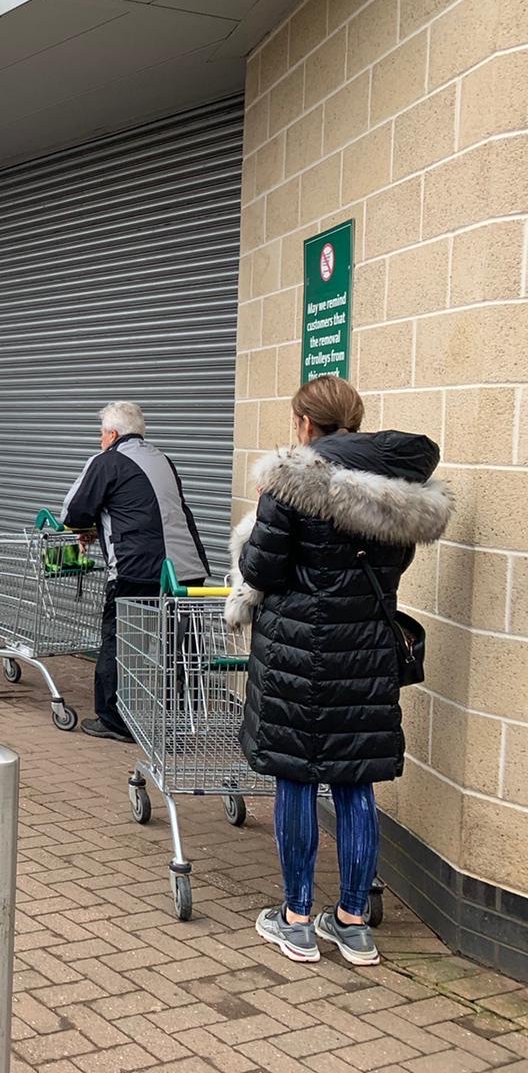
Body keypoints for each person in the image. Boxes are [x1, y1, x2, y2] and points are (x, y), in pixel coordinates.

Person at [228, 377, 450, 968]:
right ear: (353, 419)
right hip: (366, 653)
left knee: (296, 777)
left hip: (297, 654)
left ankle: (296, 920)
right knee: (356, 780)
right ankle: (353, 924)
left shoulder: (290, 480)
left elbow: (262, 568)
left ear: (304, 424)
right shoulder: (400, 487)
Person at [62, 401, 210, 743]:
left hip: (139, 570)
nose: (100, 440)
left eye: (101, 434)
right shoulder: (161, 459)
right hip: (186, 570)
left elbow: (75, 512)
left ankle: (115, 721)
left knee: (121, 640)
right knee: (175, 647)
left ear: (112, 434)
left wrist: (86, 528)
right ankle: (172, 717)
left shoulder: (107, 461)